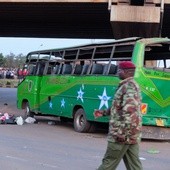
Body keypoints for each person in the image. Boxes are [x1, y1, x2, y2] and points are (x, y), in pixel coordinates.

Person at [94, 61, 143, 170]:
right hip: (130, 135)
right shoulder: (128, 85)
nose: (117, 73)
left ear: (125, 72)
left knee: (108, 163)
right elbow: (118, 107)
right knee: (135, 166)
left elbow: (130, 112)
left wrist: (122, 134)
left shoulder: (129, 87)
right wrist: (103, 112)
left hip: (121, 135)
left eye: (119, 70)